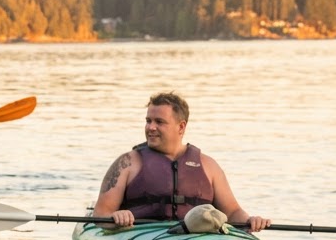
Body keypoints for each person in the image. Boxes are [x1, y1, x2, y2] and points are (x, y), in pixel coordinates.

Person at [92, 91, 270, 231]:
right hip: (140, 236)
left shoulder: (208, 165)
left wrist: (250, 221)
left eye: (159, 122)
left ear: (181, 126)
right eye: (148, 121)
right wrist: (117, 217)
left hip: (195, 239)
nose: (150, 127)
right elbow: (101, 214)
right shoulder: (128, 163)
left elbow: (232, 212)